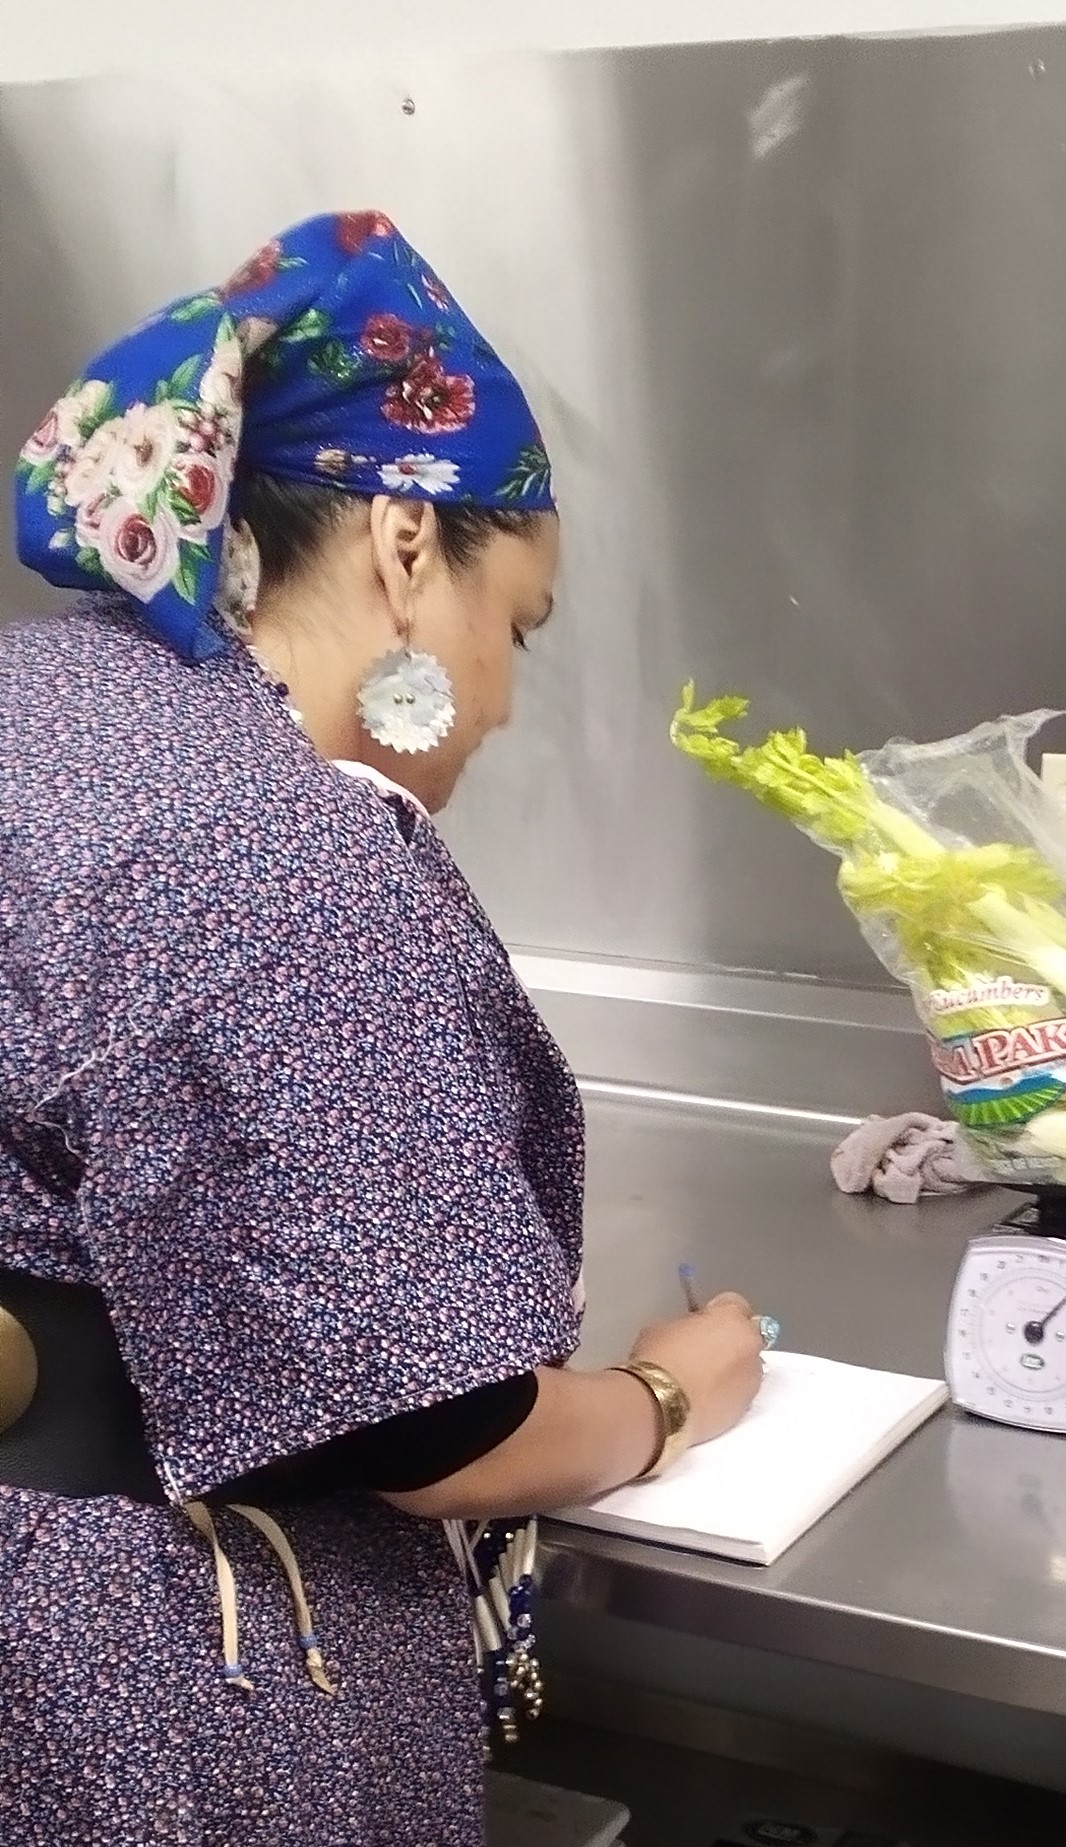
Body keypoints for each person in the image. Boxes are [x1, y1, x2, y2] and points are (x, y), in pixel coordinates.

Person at [0, 210, 765, 1847]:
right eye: (522, 628)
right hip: (139, 1673)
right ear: (408, 550)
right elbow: (429, 1427)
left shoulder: (44, 702)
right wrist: (670, 1396)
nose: (492, 697)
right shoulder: (267, 839)